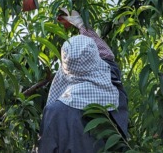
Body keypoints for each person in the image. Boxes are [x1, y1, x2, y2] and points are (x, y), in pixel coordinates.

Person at [37, 10, 128, 152]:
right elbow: (108, 57)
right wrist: (81, 24)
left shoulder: (54, 112)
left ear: (65, 67)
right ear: (95, 61)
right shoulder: (115, 94)